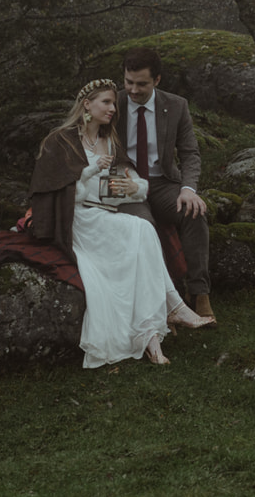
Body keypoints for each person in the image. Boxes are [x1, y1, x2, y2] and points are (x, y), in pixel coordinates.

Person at [30, 78, 212, 366]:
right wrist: (91, 174)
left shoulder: (109, 140)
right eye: (107, 102)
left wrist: (130, 189)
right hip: (78, 220)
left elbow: (121, 184)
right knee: (140, 232)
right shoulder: (61, 140)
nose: (114, 108)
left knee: (142, 229)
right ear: (86, 105)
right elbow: (59, 193)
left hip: (103, 213)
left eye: (114, 103)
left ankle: (152, 336)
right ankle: (171, 310)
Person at [116, 47, 217, 325]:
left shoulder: (176, 106)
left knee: (194, 213)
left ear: (157, 80)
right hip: (128, 185)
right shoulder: (114, 104)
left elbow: (190, 153)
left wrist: (188, 189)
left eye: (141, 84)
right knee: (145, 229)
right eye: (128, 82)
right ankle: (162, 304)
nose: (133, 90)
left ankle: (200, 293)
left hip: (163, 183)